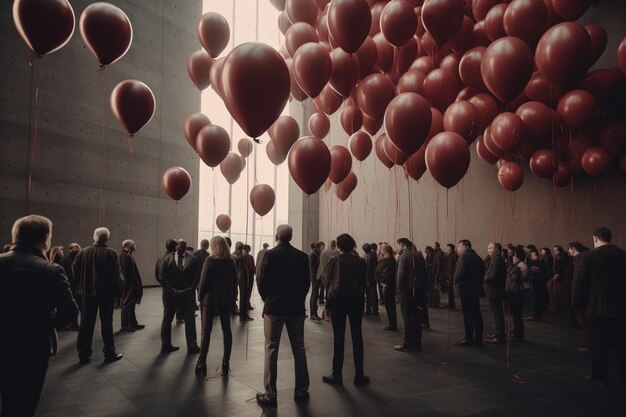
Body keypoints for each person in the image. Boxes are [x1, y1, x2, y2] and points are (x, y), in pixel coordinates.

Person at [0, 215, 78, 417]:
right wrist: (46, 326)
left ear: (15, 235)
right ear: (45, 239)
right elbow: (70, 312)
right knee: (23, 403)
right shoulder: (51, 270)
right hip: (32, 346)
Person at [256, 225, 310, 407]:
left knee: (271, 349)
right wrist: (298, 299)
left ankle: (270, 394)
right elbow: (306, 283)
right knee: (299, 349)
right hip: (296, 308)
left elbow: (261, 280)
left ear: (277, 235)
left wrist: (267, 299)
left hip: (274, 308)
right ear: (291, 236)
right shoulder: (302, 256)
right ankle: (301, 391)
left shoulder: (269, 255)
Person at [572, 227, 626, 389]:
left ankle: (600, 377)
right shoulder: (622, 256)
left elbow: (579, 284)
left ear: (595, 239)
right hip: (620, 309)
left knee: (598, 345)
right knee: (622, 346)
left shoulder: (587, 257)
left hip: (595, 309)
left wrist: (578, 306)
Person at [322, 233, 370, 386]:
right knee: (357, 337)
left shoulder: (334, 260)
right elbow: (364, 282)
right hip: (356, 301)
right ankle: (359, 376)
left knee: (339, 338)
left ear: (339, 246)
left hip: (338, 301)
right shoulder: (361, 261)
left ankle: (337, 375)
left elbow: (328, 282)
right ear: (353, 245)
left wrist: (327, 306)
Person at [72, 227, 123, 364]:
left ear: (94, 236)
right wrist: (118, 295)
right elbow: (116, 276)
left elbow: (74, 270)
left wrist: (80, 286)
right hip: (107, 294)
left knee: (85, 323)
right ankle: (109, 353)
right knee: (107, 323)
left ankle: (83, 354)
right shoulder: (111, 253)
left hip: (88, 294)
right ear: (107, 238)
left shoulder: (83, 252)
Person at [196, 236, 236, 377]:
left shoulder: (210, 260)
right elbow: (234, 282)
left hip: (210, 299)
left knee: (206, 331)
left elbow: (203, 281)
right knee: (227, 330)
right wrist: (234, 298)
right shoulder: (231, 261)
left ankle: (201, 362)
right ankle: (226, 362)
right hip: (226, 299)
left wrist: (200, 297)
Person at [159, 239, 201, 354]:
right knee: (167, 320)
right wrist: (172, 290)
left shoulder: (193, 259)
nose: (181, 247)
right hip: (171, 295)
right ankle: (165, 345)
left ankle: (192, 345)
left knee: (190, 320)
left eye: (184, 245)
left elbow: (197, 275)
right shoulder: (166, 259)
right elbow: (162, 277)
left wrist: (191, 288)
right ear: (175, 246)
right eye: (179, 245)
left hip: (187, 295)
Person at [394, 238, 427, 352]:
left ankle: (407, 344)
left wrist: (398, 291)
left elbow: (401, 275)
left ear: (402, 245)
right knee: (417, 318)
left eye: (397, 245)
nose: (396, 248)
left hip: (407, 291)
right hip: (419, 291)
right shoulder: (419, 254)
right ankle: (417, 344)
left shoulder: (404, 256)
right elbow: (425, 273)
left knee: (407, 317)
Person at [454, 239, 485, 347]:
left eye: (459, 246)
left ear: (466, 247)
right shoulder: (478, 257)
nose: (458, 249)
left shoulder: (464, 256)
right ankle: (478, 338)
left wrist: (455, 281)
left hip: (466, 290)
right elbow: (482, 272)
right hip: (475, 290)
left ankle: (468, 338)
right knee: (476, 313)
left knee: (468, 315)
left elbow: (460, 272)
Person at [505, 247, 531, 343]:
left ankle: (518, 335)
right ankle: (515, 332)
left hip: (518, 293)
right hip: (514, 293)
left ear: (518, 257)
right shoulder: (517, 265)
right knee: (515, 315)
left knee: (517, 315)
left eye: (514, 255)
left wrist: (513, 274)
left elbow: (521, 279)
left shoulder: (522, 266)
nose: (513, 257)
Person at [483, 243, 507, 345]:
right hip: (494, 291)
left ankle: (499, 337)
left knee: (497, 314)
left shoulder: (497, 260)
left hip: (495, 291)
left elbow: (492, 276)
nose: (488, 250)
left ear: (497, 249)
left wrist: (484, 278)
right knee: (497, 313)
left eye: (491, 248)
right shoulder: (494, 259)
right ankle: (498, 334)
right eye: (488, 248)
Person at [119, 240, 144, 332]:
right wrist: (129, 286)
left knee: (132, 305)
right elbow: (126, 274)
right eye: (133, 244)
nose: (135, 245)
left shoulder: (127, 255)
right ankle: (125, 326)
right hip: (128, 286)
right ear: (128, 246)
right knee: (127, 305)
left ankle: (133, 323)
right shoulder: (125, 256)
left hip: (131, 286)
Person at [376, 243, 397, 331]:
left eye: (381, 249)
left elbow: (389, 273)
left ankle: (392, 324)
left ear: (386, 250)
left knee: (390, 305)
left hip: (388, 285)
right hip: (385, 284)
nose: (380, 250)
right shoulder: (385, 259)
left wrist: (384, 281)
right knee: (388, 305)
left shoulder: (390, 260)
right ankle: (391, 323)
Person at [62, 243, 82, 330]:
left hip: (76, 284)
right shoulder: (67, 260)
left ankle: (75, 324)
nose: (77, 250)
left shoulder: (69, 259)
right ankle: (74, 323)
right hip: (73, 284)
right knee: (77, 305)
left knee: (79, 305)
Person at [525, 249, 547, 322]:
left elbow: (540, 271)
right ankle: (535, 314)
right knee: (533, 299)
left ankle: (536, 315)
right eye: (532, 256)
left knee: (536, 299)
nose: (533, 257)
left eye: (534, 255)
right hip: (534, 282)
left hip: (537, 282)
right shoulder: (532, 262)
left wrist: (533, 269)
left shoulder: (540, 262)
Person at [547, 245, 569, 315]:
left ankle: (561, 310)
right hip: (558, 277)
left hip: (562, 278)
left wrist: (555, 277)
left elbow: (561, 269)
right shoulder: (556, 257)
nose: (554, 252)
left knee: (559, 294)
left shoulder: (562, 257)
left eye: (556, 250)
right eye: (553, 250)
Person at [233, 242, 252, 321]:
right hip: (242, 280)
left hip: (241, 279)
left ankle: (243, 315)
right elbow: (241, 270)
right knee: (243, 297)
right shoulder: (240, 257)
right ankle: (243, 316)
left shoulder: (237, 256)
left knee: (243, 297)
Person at [318, 240, 338, 309]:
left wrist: (320, 274)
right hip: (333, 275)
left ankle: (327, 307)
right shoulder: (337, 252)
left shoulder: (324, 252)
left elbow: (321, 265)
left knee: (326, 291)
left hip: (326, 274)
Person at [308, 241, 323, 321]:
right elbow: (313, 269)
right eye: (320, 247)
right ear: (317, 247)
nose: (321, 249)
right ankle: (313, 314)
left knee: (315, 295)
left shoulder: (314, 254)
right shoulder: (313, 255)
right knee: (314, 295)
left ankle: (314, 313)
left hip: (315, 278)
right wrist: (317, 278)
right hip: (315, 278)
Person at [363, 243, 379, 316]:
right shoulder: (374, 255)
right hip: (373, 277)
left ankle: (370, 310)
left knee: (370, 295)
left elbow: (368, 269)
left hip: (369, 278)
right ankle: (374, 310)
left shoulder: (367, 256)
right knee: (373, 294)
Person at [433, 242, 446, 306]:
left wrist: (437, 274)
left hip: (438, 274)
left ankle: (438, 303)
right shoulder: (438, 253)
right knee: (437, 288)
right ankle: (438, 302)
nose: (433, 248)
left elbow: (439, 265)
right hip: (438, 273)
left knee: (437, 288)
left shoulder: (439, 254)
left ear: (437, 247)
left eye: (434, 246)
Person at [445, 243, 458, 309]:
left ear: (451, 249)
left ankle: (451, 305)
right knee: (449, 292)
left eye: (447, 249)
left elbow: (452, 268)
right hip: (449, 276)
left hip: (451, 277)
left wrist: (450, 277)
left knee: (451, 292)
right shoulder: (450, 256)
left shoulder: (454, 256)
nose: (446, 250)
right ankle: (450, 304)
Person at [243, 244, 255, 311]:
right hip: (247, 276)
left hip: (250, 276)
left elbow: (253, 266)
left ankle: (247, 303)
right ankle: (246, 304)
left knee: (249, 290)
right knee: (247, 291)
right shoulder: (245, 257)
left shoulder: (250, 257)